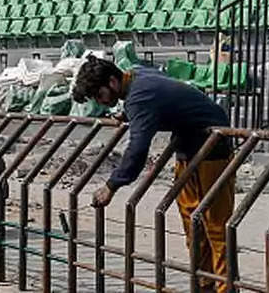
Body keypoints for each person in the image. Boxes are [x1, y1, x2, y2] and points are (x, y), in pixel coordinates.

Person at [73, 56, 234, 293]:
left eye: (99, 95)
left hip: (212, 148)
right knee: (193, 222)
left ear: (112, 82)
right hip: (187, 147)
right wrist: (128, 115)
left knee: (216, 225)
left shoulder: (139, 95)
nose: (100, 102)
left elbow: (137, 149)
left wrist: (112, 185)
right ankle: (204, 284)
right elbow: (159, 99)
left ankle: (225, 288)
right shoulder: (137, 77)